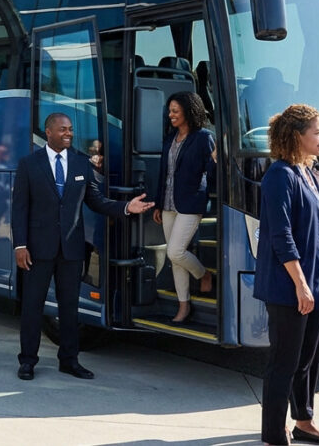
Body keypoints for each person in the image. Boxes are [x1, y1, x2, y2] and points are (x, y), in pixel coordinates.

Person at [12, 113, 153, 381]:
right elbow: (19, 209)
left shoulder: (80, 163)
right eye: (63, 129)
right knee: (32, 307)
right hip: (37, 251)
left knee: (69, 309)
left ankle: (69, 360)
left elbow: (96, 201)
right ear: (48, 131)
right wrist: (20, 246)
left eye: (71, 129)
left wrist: (125, 207)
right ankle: (27, 361)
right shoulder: (29, 164)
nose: (68, 133)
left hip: (72, 251)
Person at [255, 104, 319, 446]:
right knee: (284, 361)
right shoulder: (280, 175)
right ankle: (274, 434)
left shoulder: (310, 172)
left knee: (308, 359)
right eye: (317, 132)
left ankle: (304, 421)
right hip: (289, 288)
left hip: (317, 284)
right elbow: (281, 236)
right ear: (296, 136)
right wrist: (301, 285)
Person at [152, 91, 217, 323]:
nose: (171, 115)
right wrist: (158, 203)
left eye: (175, 111)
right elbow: (164, 173)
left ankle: (204, 274)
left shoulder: (203, 138)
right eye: (169, 111)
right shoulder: (170, 138)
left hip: (191, 203)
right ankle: (183, 305)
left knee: (175, 251)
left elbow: (212, 174)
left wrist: (217, 160)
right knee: (175, 257)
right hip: (168, 203)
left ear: (189, 111)